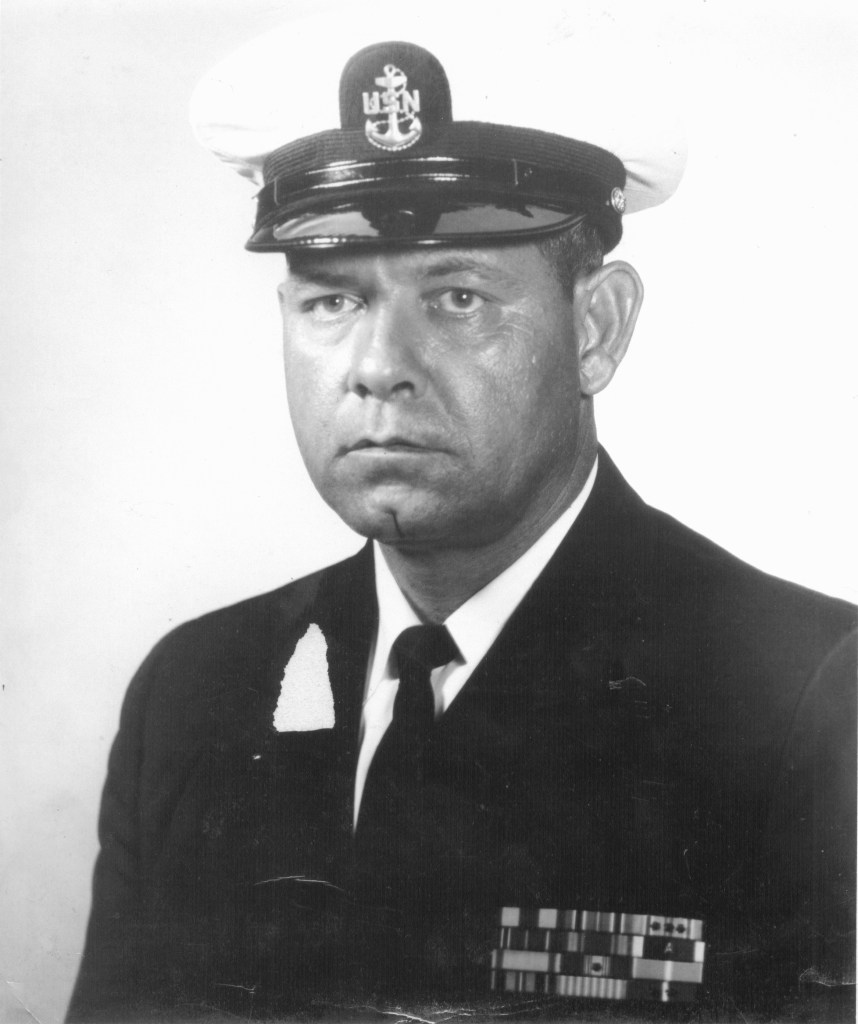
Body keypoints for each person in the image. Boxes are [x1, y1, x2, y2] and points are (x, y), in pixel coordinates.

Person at [67, 10, 856, 1022]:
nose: (377, 367)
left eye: (458, 298)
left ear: (598, 328)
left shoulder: (804, 704)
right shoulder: (196, 695)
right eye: (332, 301)